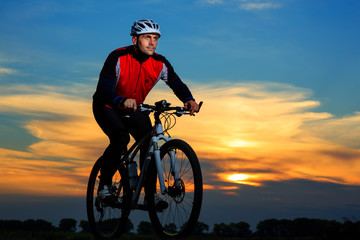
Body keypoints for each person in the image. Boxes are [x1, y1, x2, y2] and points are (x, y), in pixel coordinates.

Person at [92, 19, 199, 200]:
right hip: (107, 105)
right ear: (135, 40)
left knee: (150, 142)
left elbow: (176, 83)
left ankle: (150, 195)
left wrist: (189, 99)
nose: (152, 42)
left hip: (134, 108)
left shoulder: (160, 62)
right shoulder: (117, 57)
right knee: (120, 138)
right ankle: (105, 186)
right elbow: (103, 88)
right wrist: (121, 100)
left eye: (156, 38)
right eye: (147, 37)